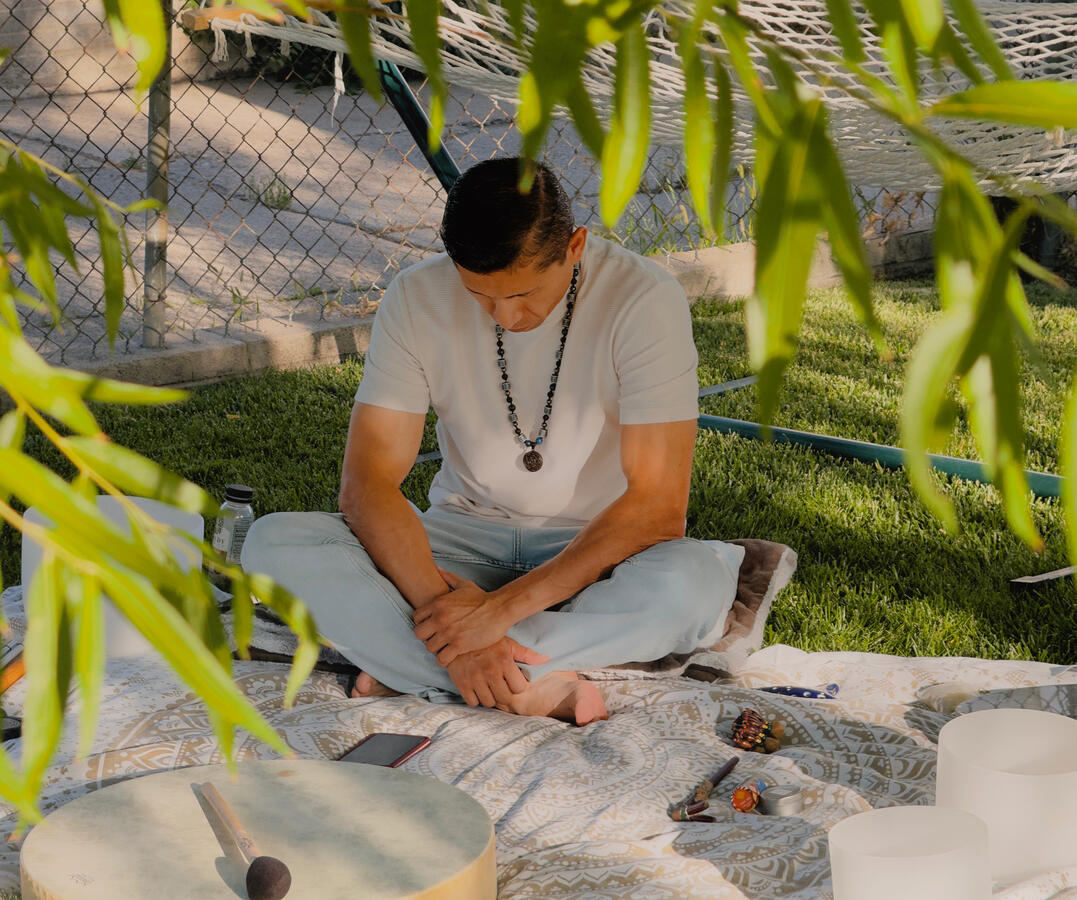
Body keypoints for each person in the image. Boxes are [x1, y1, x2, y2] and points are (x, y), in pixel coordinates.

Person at [241, 157, 743, 725]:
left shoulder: (644, 299)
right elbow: (367, 485)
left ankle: (413, 662)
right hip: (457, 543)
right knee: (273, 542)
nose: (506, 315)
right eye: (481, 295)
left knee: (692, 585)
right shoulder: (415, 296)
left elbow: (656, 510)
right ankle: (529, 680)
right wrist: (449, 614)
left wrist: (496, 613)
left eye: (525, 294)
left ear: (575, 247)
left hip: (593, 555)